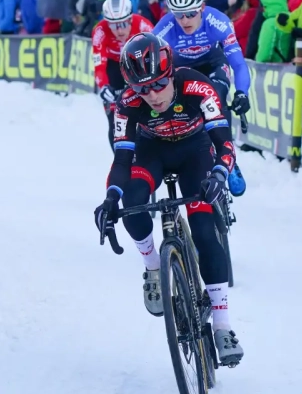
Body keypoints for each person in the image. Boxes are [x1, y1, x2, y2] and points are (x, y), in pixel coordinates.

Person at [94, 33, 244, 366]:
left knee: (204, 230)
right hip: (152, 155)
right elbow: (121, 161)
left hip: (196, 152)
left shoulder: (197, 87)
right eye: (142, 89)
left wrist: (220, 173)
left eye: (159, 85)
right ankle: (152, 268)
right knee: (131, 203)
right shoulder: (127, 104)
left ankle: (222, 325)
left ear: (170, 73)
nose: (152, 95)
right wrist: (110, 198)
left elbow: (224, 142)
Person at [152, 0, 251, 197]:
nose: (185, 20)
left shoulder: (218, 22)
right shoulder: (163, 28)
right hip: (180, 68)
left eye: (191, 14)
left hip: (213, 64)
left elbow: (239, 65)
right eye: (178, 14)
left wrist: (242, 93)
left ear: (202, 8)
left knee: (214, 97)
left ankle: (228, 155)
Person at [93, 0, 155, 151]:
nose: (119, 30)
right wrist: (103, 86)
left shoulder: (144, 26)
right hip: (113, 67)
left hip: (137, 64)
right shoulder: (100, 31)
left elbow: (156, 58)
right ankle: (121, 161)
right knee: (115, 120)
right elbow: (99, 64)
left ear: (130, 19)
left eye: (122, 24)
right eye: (113, 25)